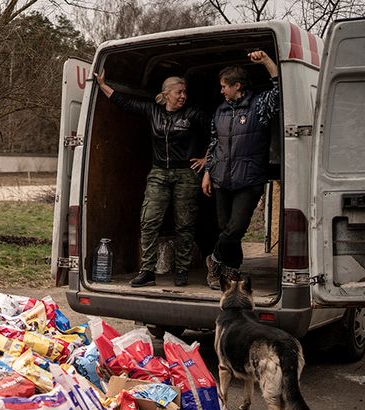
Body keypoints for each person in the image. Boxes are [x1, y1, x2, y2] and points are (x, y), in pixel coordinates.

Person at [96, 70, 209, 287]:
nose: (183, 96)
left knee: (184, 223)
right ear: (166, 94)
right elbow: (125, 103)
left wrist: (207, 158)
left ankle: (182, 270)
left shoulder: (194, 115)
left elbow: (218, 131)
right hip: (159, 173)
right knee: (149, 221)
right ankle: (147, 271)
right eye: (179, 92)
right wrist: (102, 85)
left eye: (185, 92)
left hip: (186, 173)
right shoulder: (152, 110)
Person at [202, 50, 279, 289]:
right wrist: (207, 172)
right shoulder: (219, 111)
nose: (222, 90)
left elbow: (279, 90)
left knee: (236, 228)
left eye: (225, 86)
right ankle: (231, 274)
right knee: (226, 230)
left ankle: (213, 260)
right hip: (221, 178)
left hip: (250, 178)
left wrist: (267, 61)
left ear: (238, 86)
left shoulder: (259, 105)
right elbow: (214, 143)